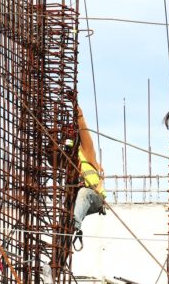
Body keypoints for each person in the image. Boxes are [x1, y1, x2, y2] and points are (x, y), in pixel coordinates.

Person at [72, 106, 106, 249]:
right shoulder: (69, 159)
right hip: (81, 203)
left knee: (84, 193)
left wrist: (79, 114)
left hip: (95, 197)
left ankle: (76, 225)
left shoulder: (85, 151)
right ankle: (71, 225)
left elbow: (83, 130)